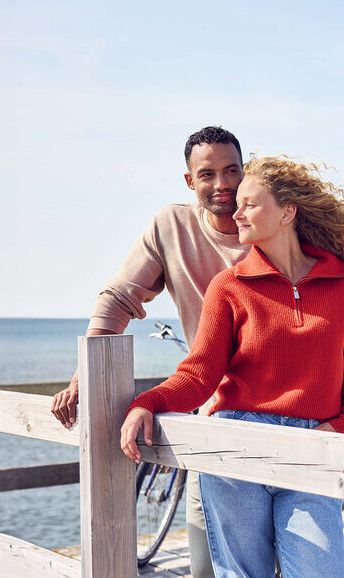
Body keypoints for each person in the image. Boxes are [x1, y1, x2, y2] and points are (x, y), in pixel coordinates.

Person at [119, 155, 344, 578]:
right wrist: (148, 402)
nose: (236, 212)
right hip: (236, 445)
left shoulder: (343, 283)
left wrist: (342, 427)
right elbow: (199, 374)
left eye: (250, 203)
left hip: (312, 448)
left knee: (320, 571)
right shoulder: (229, 286)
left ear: (287, 212)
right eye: (238, 205)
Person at [50, 125, 248, 578]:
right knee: (206, 565)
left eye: (232, 170)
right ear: (189, 181)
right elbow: (119, 297)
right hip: (214, 412)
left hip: (281, 413)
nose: (223, 185)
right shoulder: (172, 226)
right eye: (208, 174)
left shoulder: (272, 225)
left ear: (246, 170)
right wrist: (86, 376)